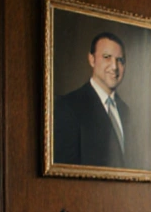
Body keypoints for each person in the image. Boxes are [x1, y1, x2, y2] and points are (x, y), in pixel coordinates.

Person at [53, 32, 145, 169]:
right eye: (107, 57)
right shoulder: (68, 106)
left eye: (120, 60)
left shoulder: (127, 112)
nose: (114, 66)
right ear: (92, 59)